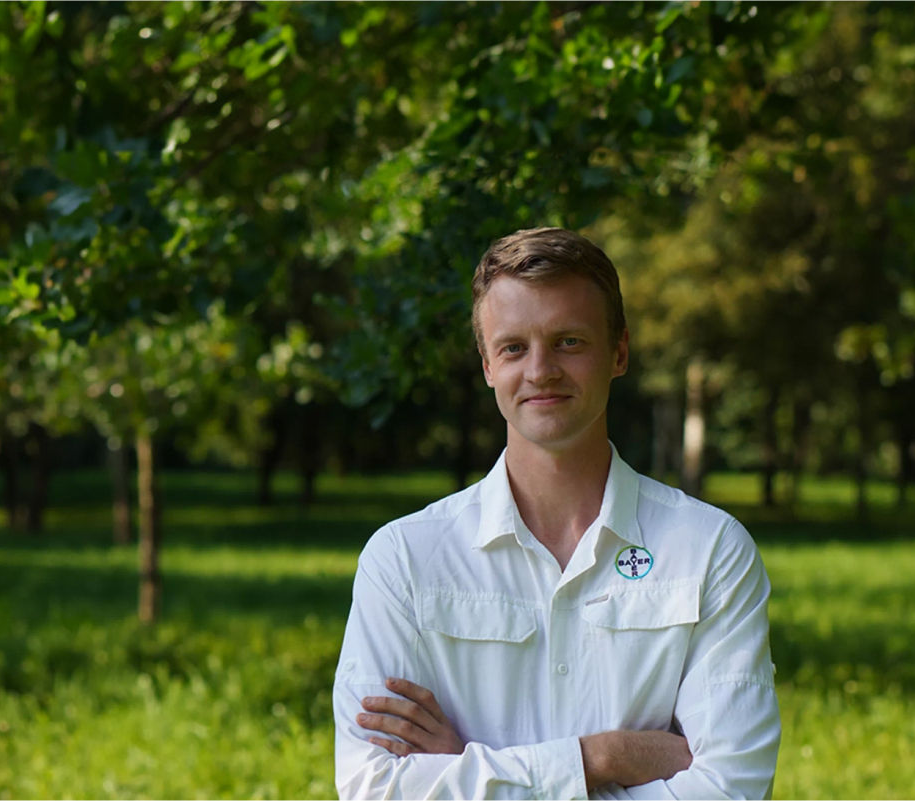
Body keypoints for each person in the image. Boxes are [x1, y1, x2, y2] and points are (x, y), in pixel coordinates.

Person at [333, 227, 780, 799]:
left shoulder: (709, 549)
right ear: (488, 365)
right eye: (514, 347)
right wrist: (602, 757)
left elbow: (730, 790)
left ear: (619, 352)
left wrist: (468, 770)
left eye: (569, 342)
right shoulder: (404, 560)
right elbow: (373, 787)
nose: (540, 370)